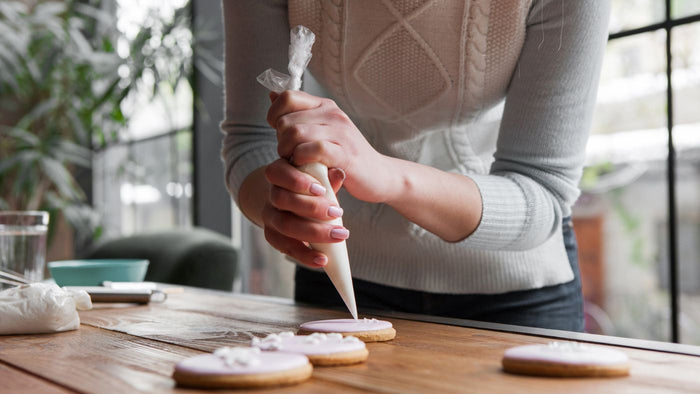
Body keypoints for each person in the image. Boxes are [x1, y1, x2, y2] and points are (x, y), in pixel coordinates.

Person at [221, 0, 611, 332]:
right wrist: (277, 205)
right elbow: (251, 139)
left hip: (517, 291)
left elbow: (542, 189)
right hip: (338, 278)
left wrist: (385, 175)